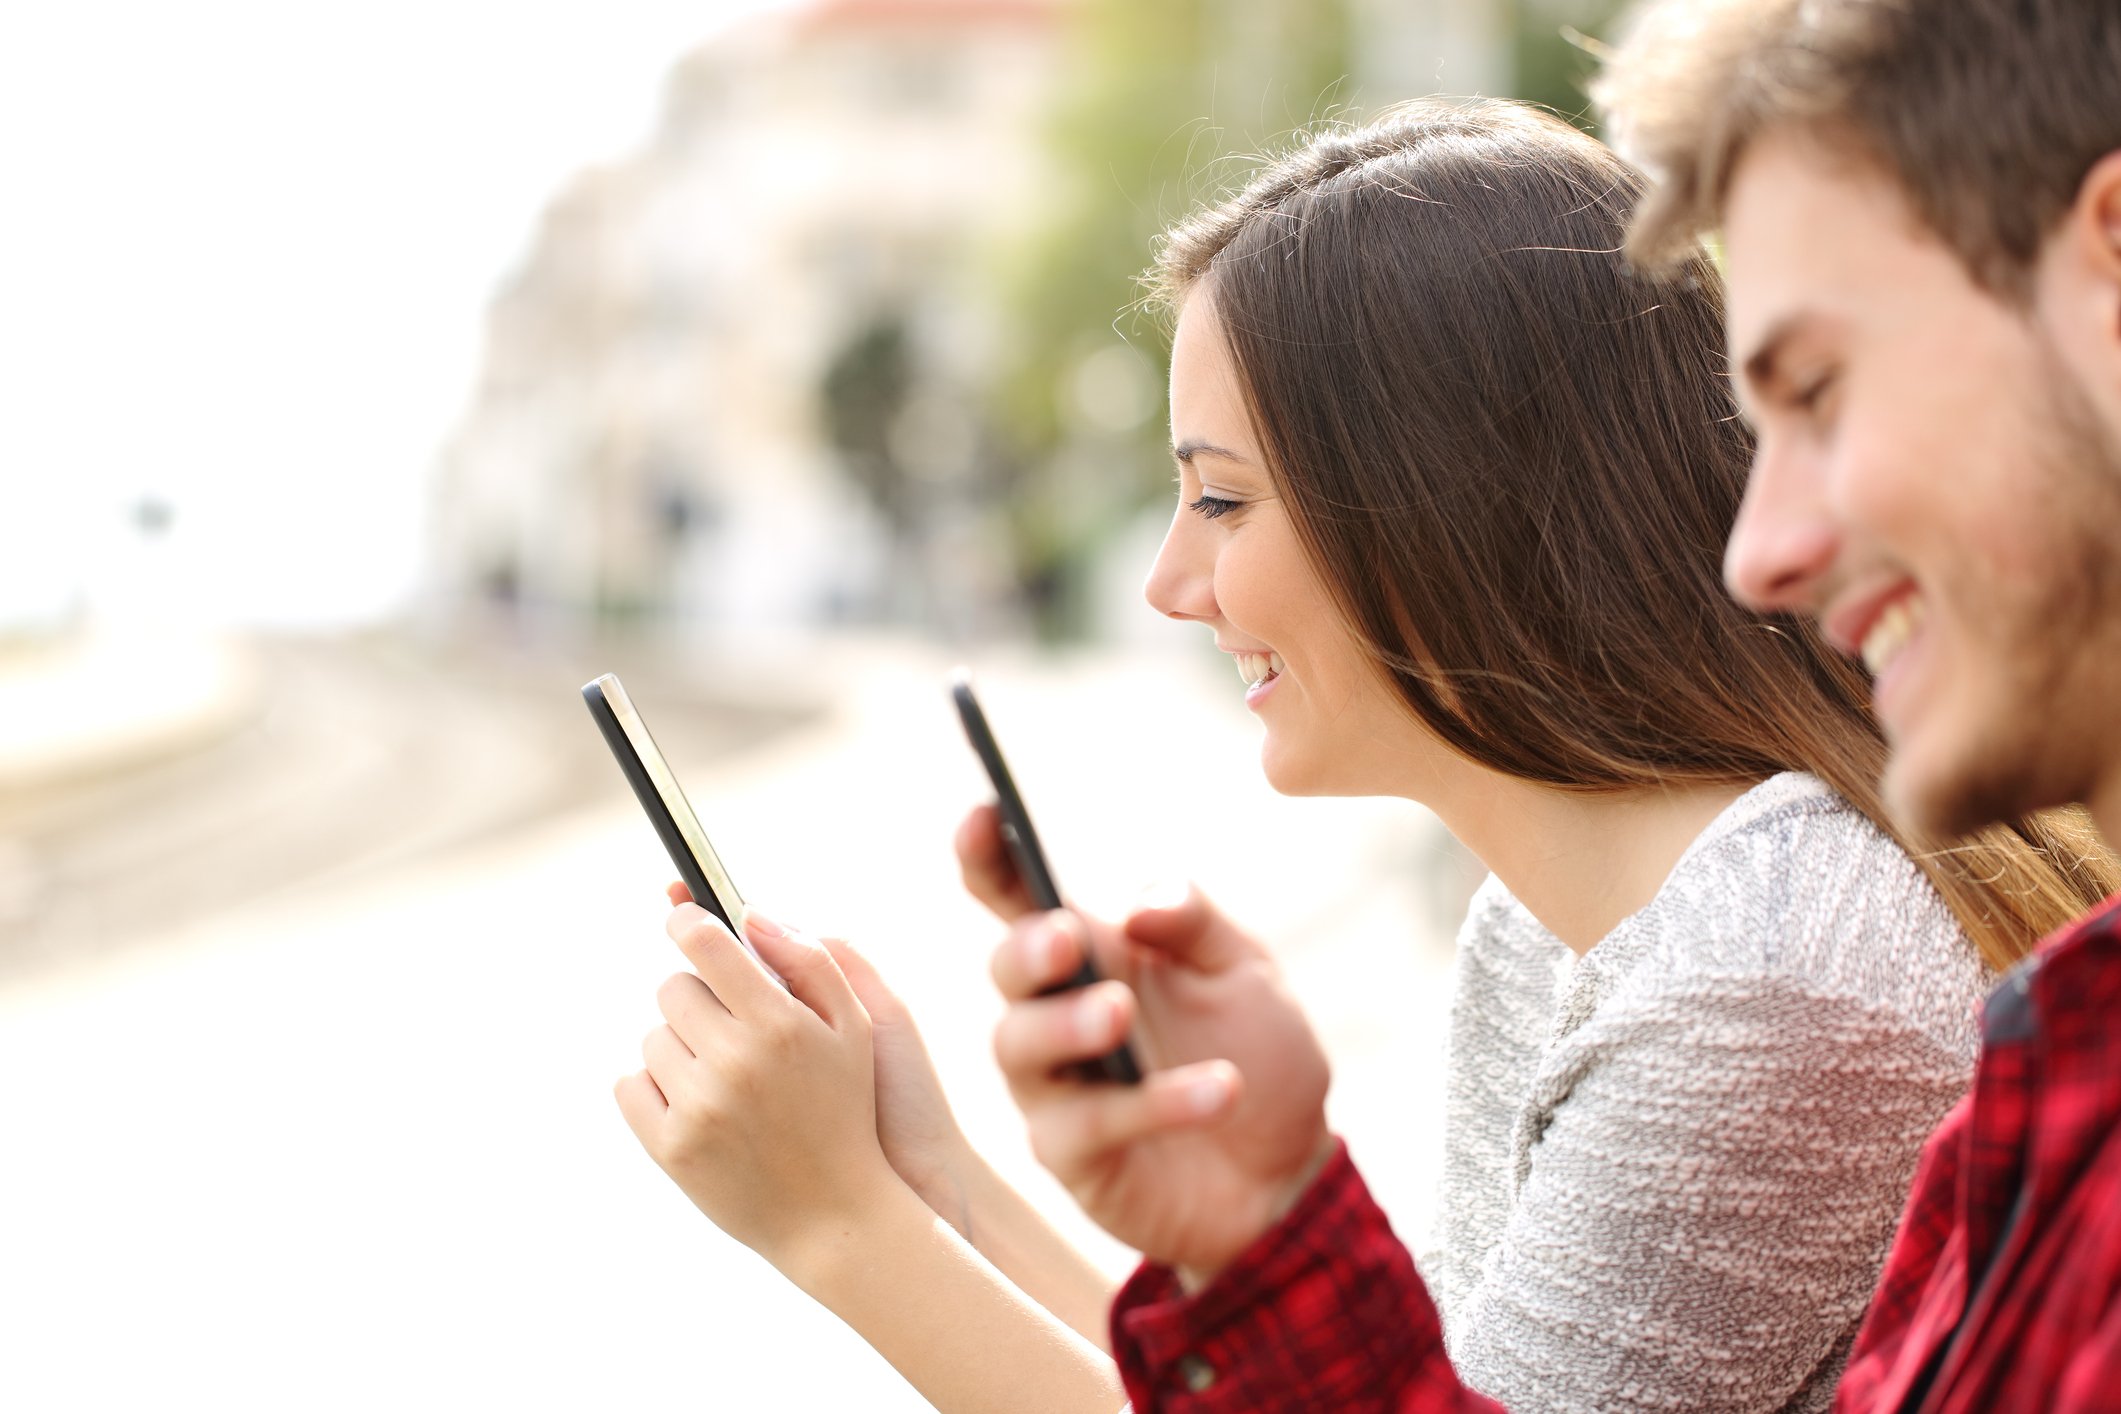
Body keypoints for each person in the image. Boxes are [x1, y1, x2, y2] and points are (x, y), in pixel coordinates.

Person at [610, 98, 2115, 1412]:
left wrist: (840, 1232)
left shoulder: (1767, 983)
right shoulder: (1549, 916)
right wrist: (930, 1172)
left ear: (1438, 503)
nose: (1167, 584)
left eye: (1219, 502)